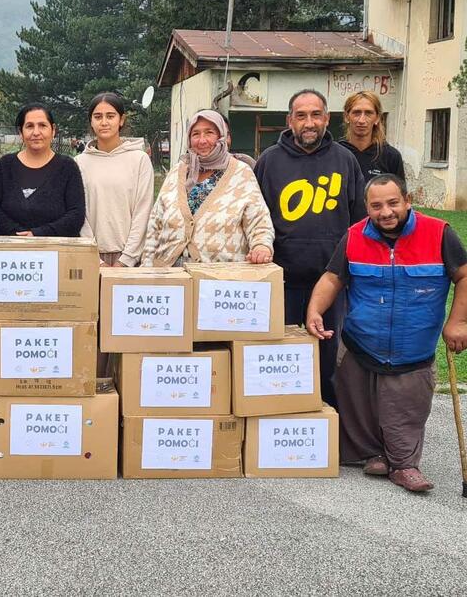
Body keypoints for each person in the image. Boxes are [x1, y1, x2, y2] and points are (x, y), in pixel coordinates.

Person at [307, 174, 467, 493]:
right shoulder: (354, 236)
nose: (386, 212)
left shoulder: (439, 233)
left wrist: (458, 322)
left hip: (413, 348)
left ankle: (404, 464)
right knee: (358, 404)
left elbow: (464, 275)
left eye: (393, 203)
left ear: (407, 200)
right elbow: (332, 278)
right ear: (367, 207)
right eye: (377, 205)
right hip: (361, 344)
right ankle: (374, 454)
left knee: (404, 408)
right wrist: (314, 310)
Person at [254, 89, 365, 408]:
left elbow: (359, 222)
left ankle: (328, 434)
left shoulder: (345, 160)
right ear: (289, 121)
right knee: (282, 360)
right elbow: (256, 217)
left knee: (327, 363)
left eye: (316, 115)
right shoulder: (269, 162)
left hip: (331, 282)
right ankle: (280, 428)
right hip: (283, 282)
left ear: (327, 119)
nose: (309, 122)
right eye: (301, 116)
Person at [142, 109, 273, 266]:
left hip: (218, 279)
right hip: (170, 277)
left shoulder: (241, 172)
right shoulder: (178, 171)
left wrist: (261, 246)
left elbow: (259, 221)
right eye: (195, 134)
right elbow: (155, 224)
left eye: (209, 133)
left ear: (222, 137)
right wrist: (147, 267)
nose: (202, 140)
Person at [77, 92, 154, 267]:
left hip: (131, 258)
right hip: (91, 257)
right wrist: (95, 259)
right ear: (91, 121)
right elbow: (79, 213)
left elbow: (143, 212)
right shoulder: (79, 163)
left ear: (121, 120)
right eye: (98, 117)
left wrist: (126, 259)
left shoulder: (139, 160)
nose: (104, 122)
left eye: (110, 116)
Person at [0, 103, 85, 237]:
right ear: (20, 132)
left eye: (42, 125)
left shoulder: (67, 167)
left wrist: (38, 234)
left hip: (57, 252)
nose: (36, 132)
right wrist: (18, 235)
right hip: (10, 252)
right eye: (29, 126)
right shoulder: (5, 165)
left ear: (53, 130)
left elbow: (76, 214)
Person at [340, 90, 405, 182]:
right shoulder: (335, 154)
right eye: (356, 113)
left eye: (368, 113)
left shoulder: (391, 157)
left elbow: (398, 194)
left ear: (377, 118)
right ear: (346, 117)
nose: (362, 120)